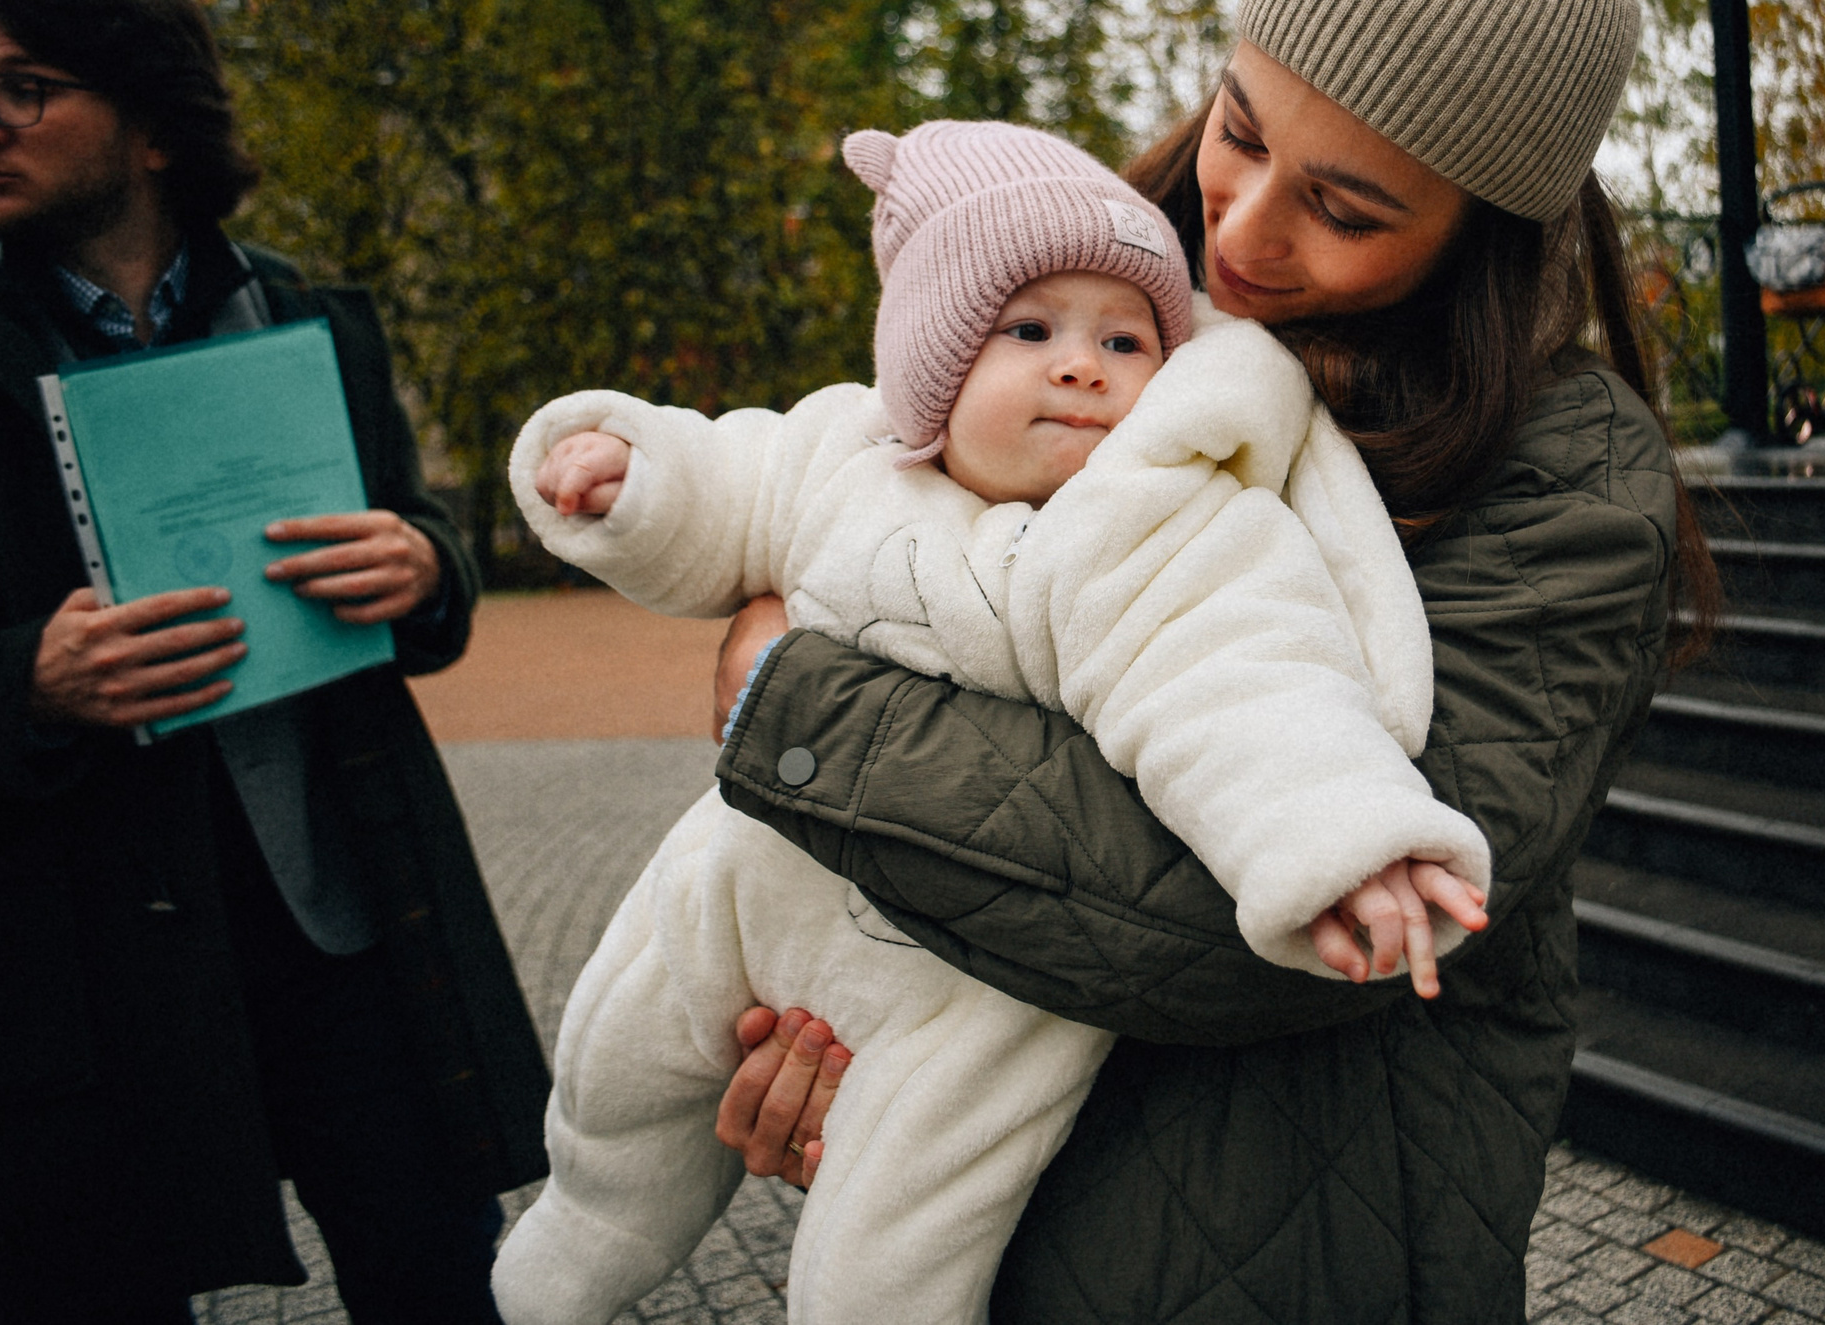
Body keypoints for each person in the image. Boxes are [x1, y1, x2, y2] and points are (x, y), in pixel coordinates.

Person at [699, 0, 1726, 1322]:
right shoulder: (1100, 311)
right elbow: (940, 593)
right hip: (1009, 1225)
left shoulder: (1566, 478)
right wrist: (835, 1020)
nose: (1241, 232)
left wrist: (783, 698)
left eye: (1346, 203)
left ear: (1484, 225)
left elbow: (1240, 914)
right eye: (1239, 126)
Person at [492, 120, 1491, 1324]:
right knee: (623, 1037)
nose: (1081, 366)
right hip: (748, 871)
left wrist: (1341, 836)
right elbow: (716, 484)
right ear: (932, 360)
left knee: (905, 1226)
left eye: (1123, 340)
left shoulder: (1148, 523)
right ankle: (586, 1226)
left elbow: (1242, 674)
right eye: (1030, 330)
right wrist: (621, 473)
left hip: (976, 985)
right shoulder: (843, 455)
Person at [0, 0, 550, 1324]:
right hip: (75, 965)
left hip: (337, 921)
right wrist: (19, 681)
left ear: (156, 126)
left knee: (442, 1281)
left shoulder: (305, 318)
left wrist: (424, 565)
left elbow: (418, 553)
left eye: (26, 89)